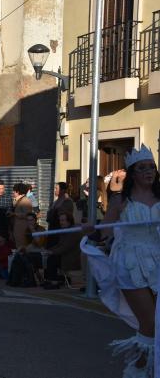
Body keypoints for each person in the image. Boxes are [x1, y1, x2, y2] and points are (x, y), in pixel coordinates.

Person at [82, 144, 159, 377]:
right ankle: (138, 369)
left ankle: (149, 367)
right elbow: (104, 232)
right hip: (130, 264)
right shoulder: (121, 203)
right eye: (143, 168)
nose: (149, 171)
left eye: (152, 167)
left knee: (157, 323)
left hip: (157, 262)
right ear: (133, 173)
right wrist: (90, 231)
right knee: (149, 322)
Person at [42, 212, 81, 290]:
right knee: (47, 256)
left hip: (71, 257)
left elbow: (65, 247)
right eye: (60, 220)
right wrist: (49, 251)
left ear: (69, 221)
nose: (61, 223)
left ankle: (54, 282)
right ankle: (51, 279)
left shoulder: (73, 231)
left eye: (63, 220)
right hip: (65, 255)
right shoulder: (65, 230)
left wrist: (52, 252)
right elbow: (59, 245)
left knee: (52, 259)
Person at [46, 182, 74, 247]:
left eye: (56, 188)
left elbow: (65, 216)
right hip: (53, 228)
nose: (55, 190)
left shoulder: (67, 201)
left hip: (60, 229)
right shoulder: (56, 201)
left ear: (62, 190)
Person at [10, 183, 32, 249]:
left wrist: (14, 214)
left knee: (22, 248)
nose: (13, 192)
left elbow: (28, 214)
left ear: (18, 191)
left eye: (14, 191)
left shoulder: (25, 200)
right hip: (17, 228)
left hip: (22, 229)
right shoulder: (17, 200)